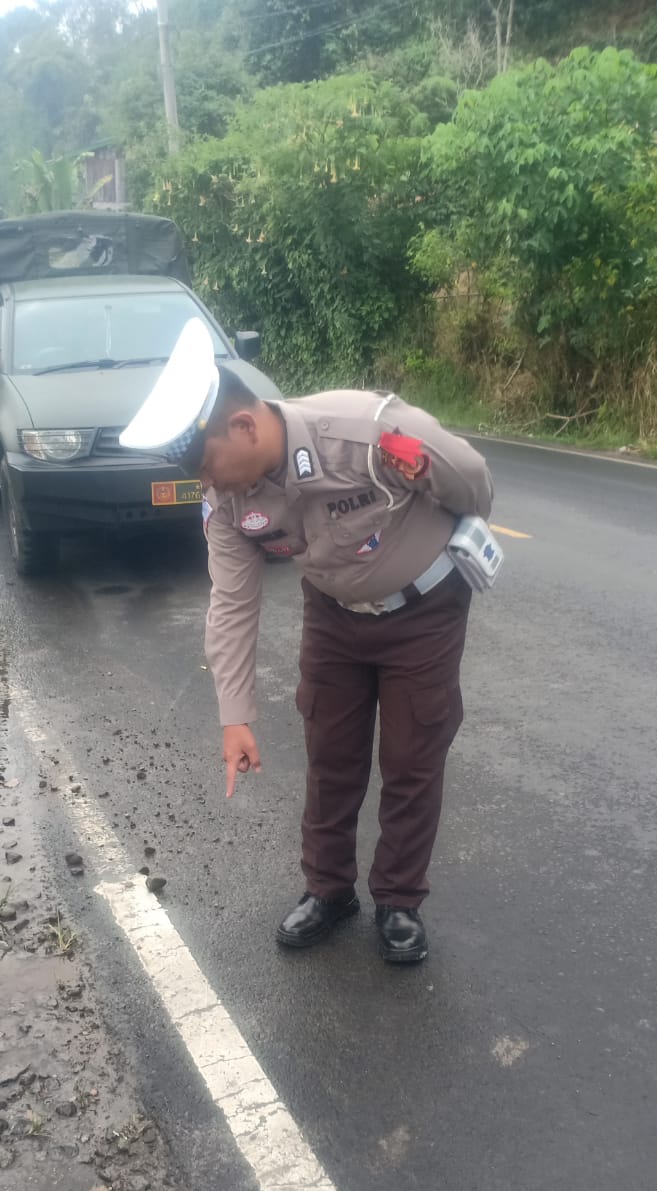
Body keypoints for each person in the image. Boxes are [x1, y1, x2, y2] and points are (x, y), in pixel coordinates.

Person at [121, 319, 495, 965]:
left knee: (412, 757)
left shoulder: (366, 434)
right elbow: (232, 602)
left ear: (244, 427)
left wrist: (450, 535)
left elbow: (471, 479)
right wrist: (234, 717)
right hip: (333, 616)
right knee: (331, 753)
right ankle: (329, 890)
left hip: (423, 614)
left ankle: (399, 900)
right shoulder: (230, 503)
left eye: (208, 465)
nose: (209, 484)